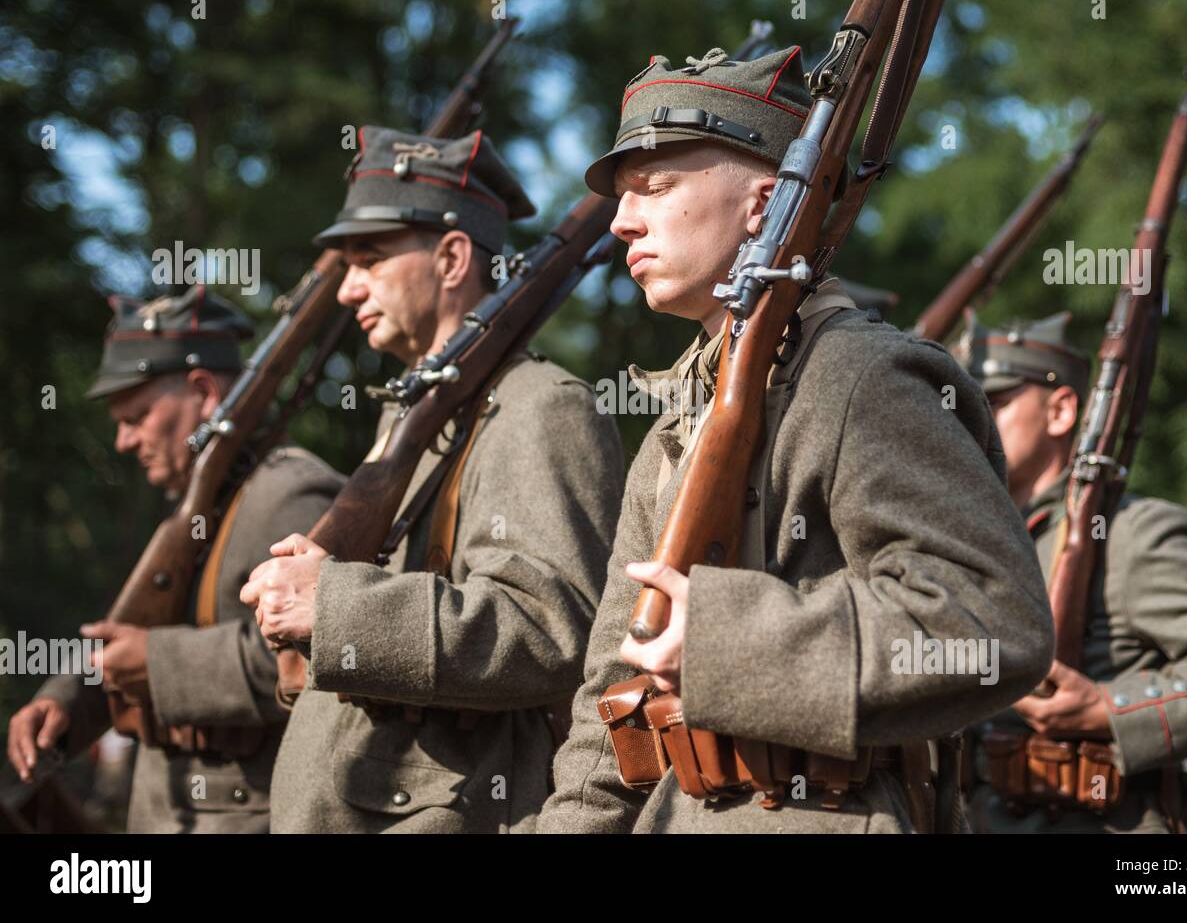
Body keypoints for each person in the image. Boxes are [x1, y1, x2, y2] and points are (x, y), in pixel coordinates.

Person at [540, 46, 1054, 833]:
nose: (621, 219)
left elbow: (990, 622)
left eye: (657, 185)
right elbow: (612, 699)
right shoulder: (679, 421)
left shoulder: (858, 376)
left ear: (764, 203)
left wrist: (728, 638)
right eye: (623, 195)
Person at [240, 126, 624, 832]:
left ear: (451, 257)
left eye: (370, 258)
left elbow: (553, 631)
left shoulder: (540, 406)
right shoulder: (414, 413)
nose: (348, 286)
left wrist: (336, 608)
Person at [6, 285, 343, 832]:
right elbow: (133, 629)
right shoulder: (192, 506)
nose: (123, 440)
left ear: (204, 390)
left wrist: (158, 662)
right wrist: (66, 700)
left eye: (137, 415)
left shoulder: (291, 494)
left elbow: (315, 655)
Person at [956, 310, 1187, 832]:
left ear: (1060, 411)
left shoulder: (1131, 533)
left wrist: (1107, 706)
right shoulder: (978, 539)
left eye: (995, 402)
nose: (971, 420)